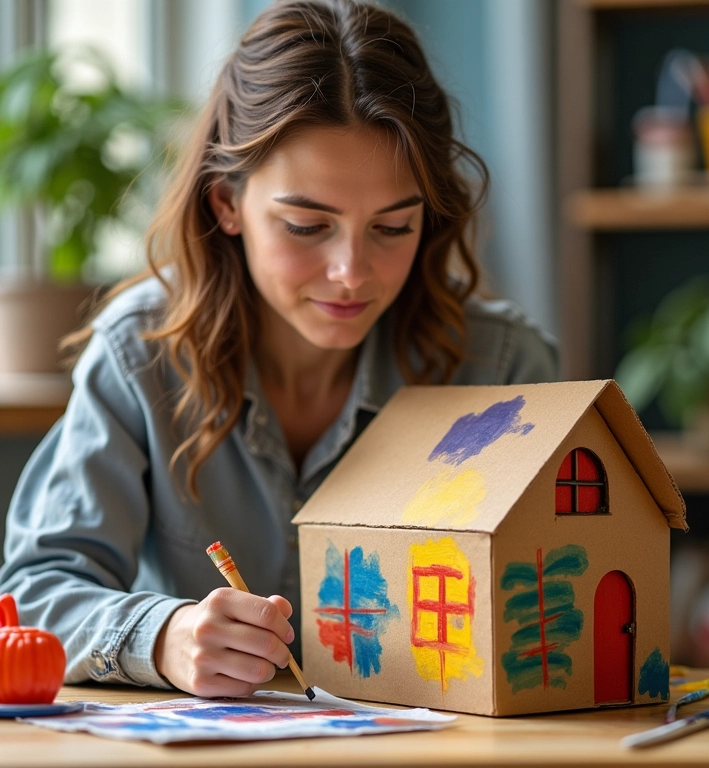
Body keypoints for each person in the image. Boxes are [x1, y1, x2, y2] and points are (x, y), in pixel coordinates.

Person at [0, 0, 557, 698]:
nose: (351, 272)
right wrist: (162, 636)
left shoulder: (503, 372)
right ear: (225, 204)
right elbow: (34, 595)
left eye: (392, 228)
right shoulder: (140, 355)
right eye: (305, 226)